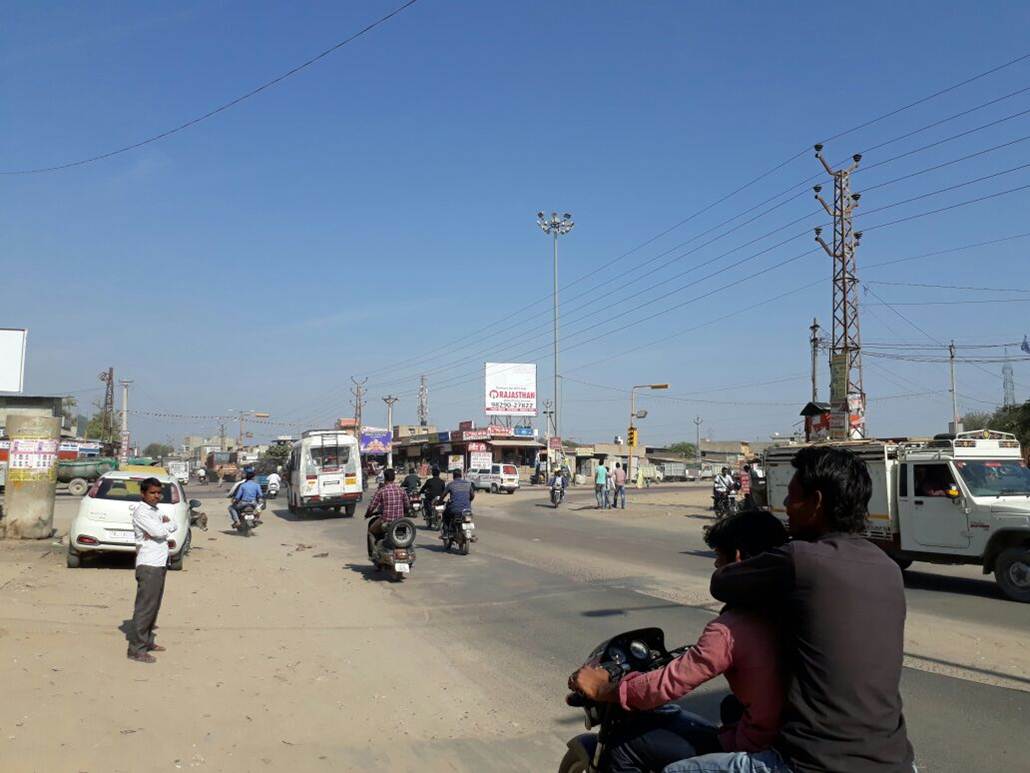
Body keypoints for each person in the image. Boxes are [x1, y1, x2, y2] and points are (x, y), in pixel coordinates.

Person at [666, 446, 914, 773]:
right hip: (896, 759)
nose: (785, 505)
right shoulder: (887, 567)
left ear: (816, 502)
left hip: (815, 763)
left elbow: (722, 583)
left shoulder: (800, 559)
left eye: (792, 496)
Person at [569, 510, 790, 773]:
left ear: (738, 558)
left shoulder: (733, 627)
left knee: (625, 747)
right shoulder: (791, 606)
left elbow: (669, 683)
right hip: (786, 735)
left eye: (719, 557)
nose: (716, 566)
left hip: (760, 749)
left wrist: (605, 689)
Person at [127, 477, 177, 663]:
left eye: (158, 492)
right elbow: (158, 532)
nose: (156, 496)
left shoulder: (155, 511)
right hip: (149, 564)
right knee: (145, 607)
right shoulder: (142, 512)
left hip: (160, 562)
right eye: (152, 493)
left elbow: (169, 526)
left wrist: (165, 526)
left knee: (154, 606)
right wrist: (164, 527)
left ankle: (147, 641)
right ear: (143, 493)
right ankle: (136, 649)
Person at [365, 468, 411, 557]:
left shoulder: (382, 491)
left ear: (385, 478)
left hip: (385, 522)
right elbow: (407, 505)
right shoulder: (401, 490)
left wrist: (368, 514)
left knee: (371, 531)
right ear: (394, 478)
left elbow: (372, 506)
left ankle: (374, 553)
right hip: (400, 523)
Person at [440, 468, 475, 534]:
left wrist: (439, 502)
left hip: (454, 509)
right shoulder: (468, 484)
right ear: (461, 475)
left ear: (453, 476)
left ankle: (445, 532)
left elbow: (443, 495)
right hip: (467, 509)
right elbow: (472, 495)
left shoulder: (451, 484)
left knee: (445, 514)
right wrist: (468, 500)